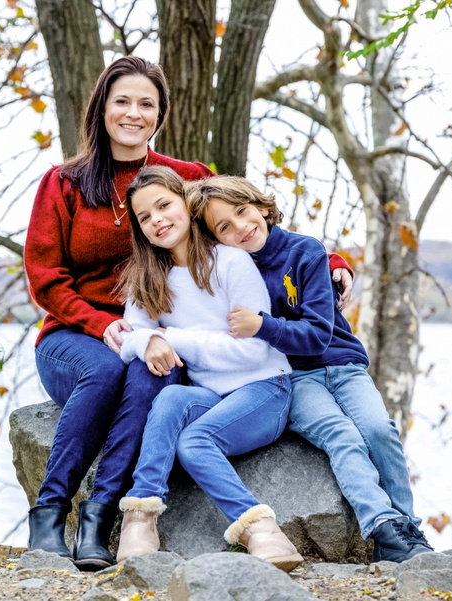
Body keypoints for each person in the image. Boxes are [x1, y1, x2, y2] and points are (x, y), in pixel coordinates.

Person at [22, 56, 214, 570]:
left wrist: (328, 263)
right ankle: (48, 513)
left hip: (154, 333)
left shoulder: (187, 180)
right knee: (107, 369)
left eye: (146, 104)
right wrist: (101, 323)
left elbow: (250, 224)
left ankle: (99, 518)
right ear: (102, 109)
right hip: (72, 334)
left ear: (160, 114)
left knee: (156, 368)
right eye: (122, 101)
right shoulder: (63, 182)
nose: (133, 113)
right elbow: (45, 279)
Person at [187, 176, 434, 563]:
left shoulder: (306, 252)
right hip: (294, 378)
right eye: (224, 228)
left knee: (378, 430)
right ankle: (383, 528)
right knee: (342, 436)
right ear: (215, 239)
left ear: (263, 208)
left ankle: (408, 527)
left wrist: (263, 325)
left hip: (343, 365)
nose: (241, 227)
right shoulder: (230, 271)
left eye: (242, 212)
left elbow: (319, 335)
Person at [113, 165, 303, 572]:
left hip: (265, 388)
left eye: (164, 205)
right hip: (211, 395)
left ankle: (262, 530)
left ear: (185, 203)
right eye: (145, 217)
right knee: (171, 397)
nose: (157, 219)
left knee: (194, 442)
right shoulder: (148, 278)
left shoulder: (230, 261)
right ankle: (141, 515)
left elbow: (252, 351)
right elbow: (130, 337)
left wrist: (171, 337)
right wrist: (149, 338)